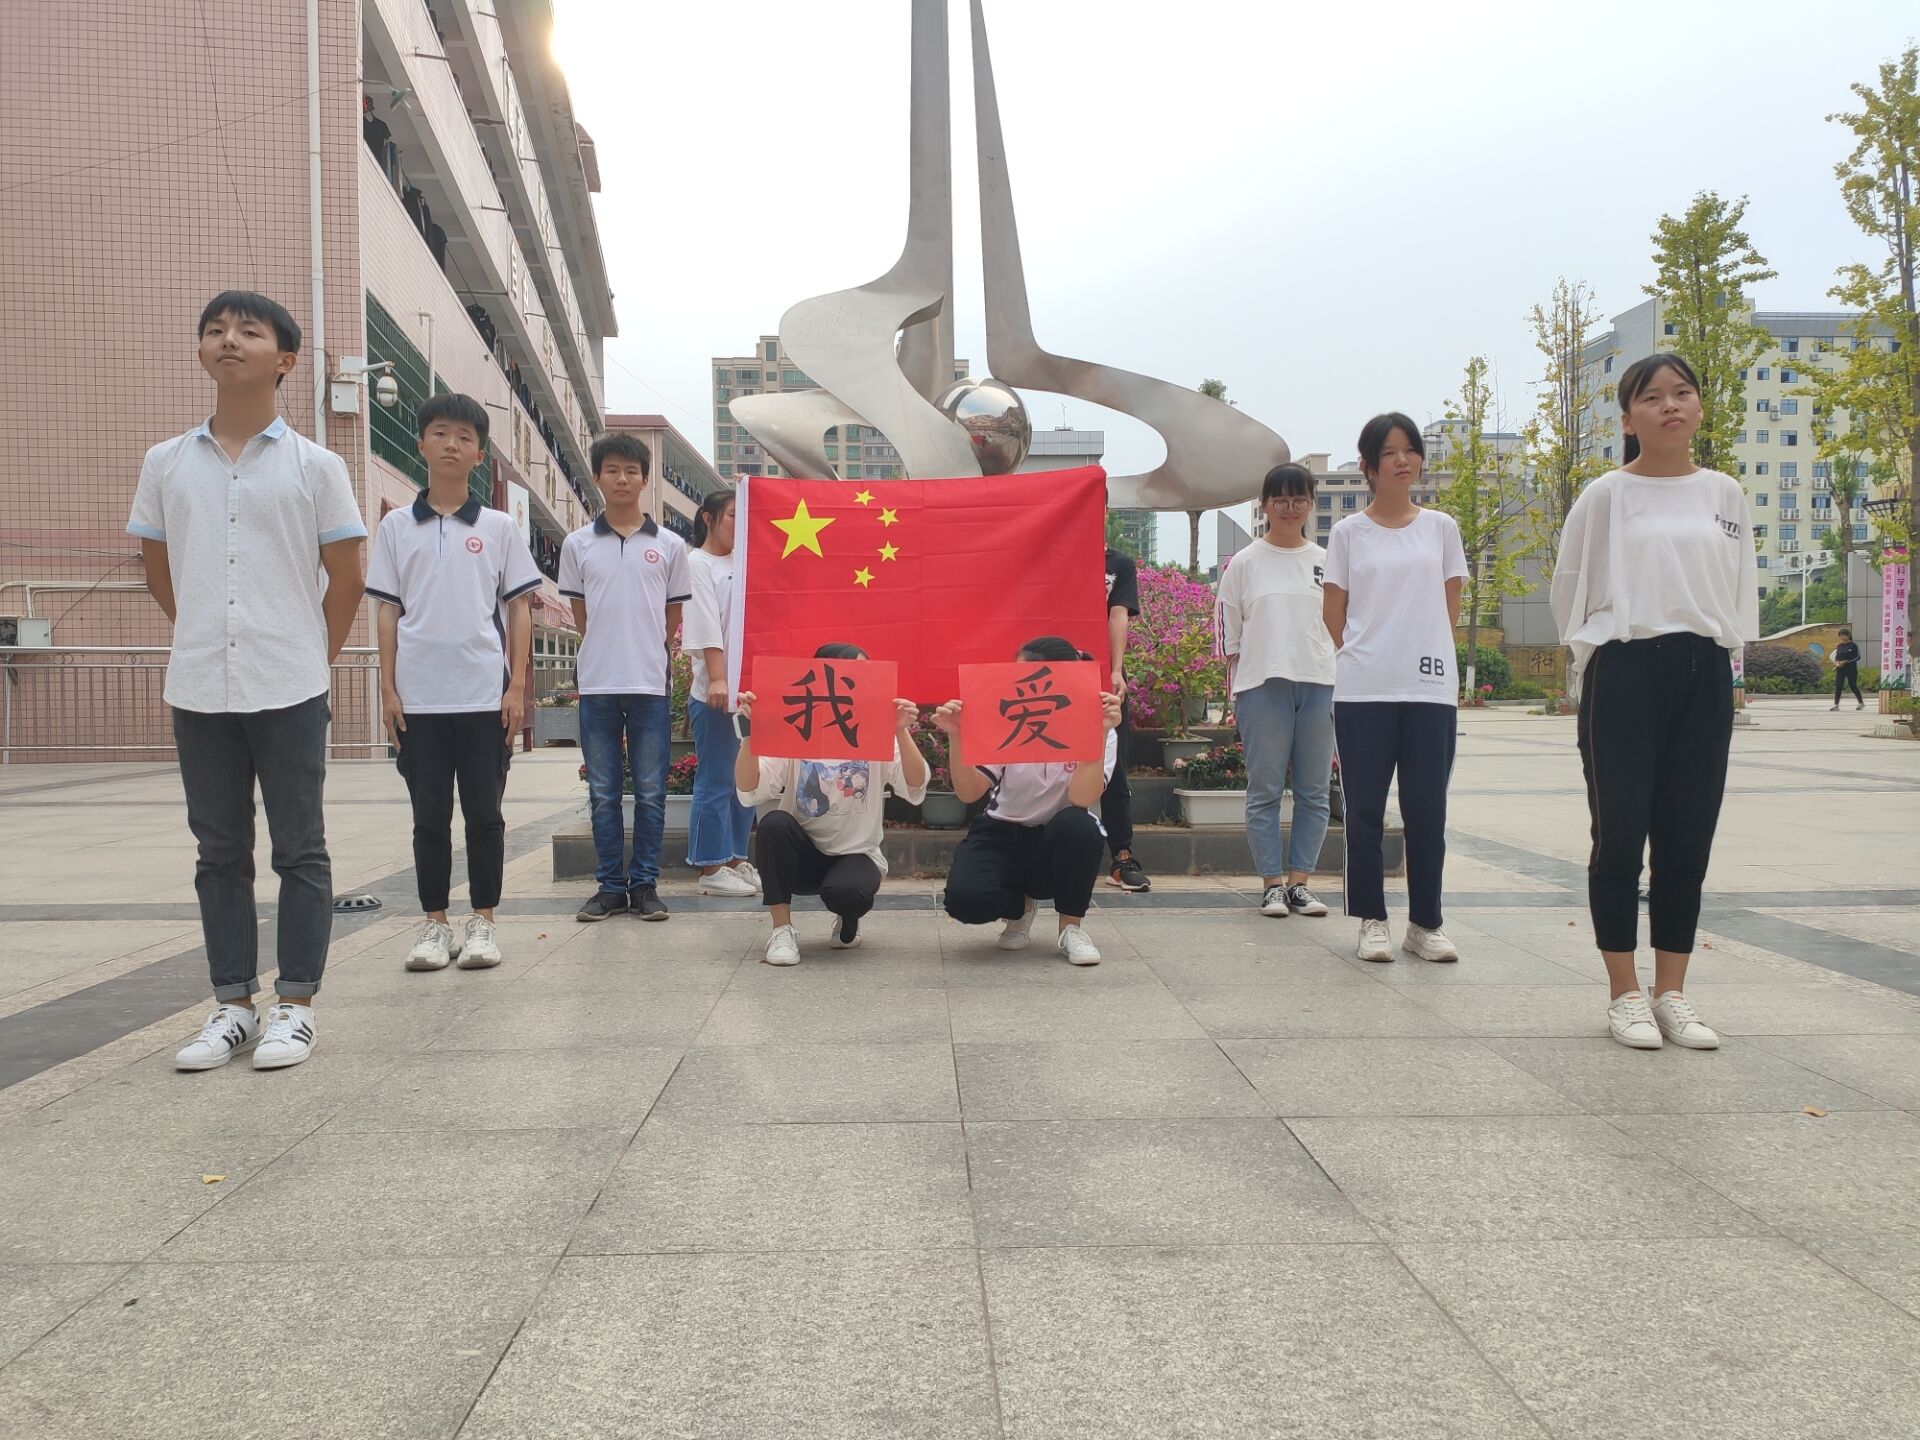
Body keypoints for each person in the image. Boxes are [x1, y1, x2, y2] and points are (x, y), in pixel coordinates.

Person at [129, 291, 366, 1072]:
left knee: (300, 850)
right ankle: (232, 1004)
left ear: (285, 360)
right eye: (215, 330)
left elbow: (346, 577)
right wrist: (205, 629)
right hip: (200, 683)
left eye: (248, 331)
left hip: (290, 683)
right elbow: (158, 567)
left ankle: (295, 1006)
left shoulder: (317, 466)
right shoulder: (166, 462)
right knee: (218, 852)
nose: (228, 339)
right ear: (202, 350)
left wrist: (310, 657)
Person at [1552, 352, 1758, 1051]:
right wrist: (1592, 658)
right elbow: (1569, 587)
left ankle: (1672, 992)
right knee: (1619, 836)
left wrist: (1730, 662)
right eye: (1652, 397)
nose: (1671, 405)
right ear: (1627, 419)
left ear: (1699, 406)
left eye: (1682, 393)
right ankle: (1624, 993)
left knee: (1687, 836)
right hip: (1626, 670)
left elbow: (1738, 587)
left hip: (1704, 671)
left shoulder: (1724, 493)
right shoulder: (1607, 495)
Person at [367, 393, 541, 972]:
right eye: (440, 433)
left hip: (483, 696)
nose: (451, 444)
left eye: (465, 437)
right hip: (418, 699)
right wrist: (388, 690)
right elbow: (388, 612)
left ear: (479, 455)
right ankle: (435, 924)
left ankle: (483, 921)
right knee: (428, 819)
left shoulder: (498, 528)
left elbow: (519, 610)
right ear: (421, 444)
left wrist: (515, 689)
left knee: (485, 816)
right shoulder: (396, 526)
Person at [1322, 413, 1468, 965]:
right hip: (1364, 692)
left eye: (1410, 450)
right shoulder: (1347, 533)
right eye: (1389, 452)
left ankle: (1426, 924)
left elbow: (1450, 605)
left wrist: (1420, 651)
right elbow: (1333, 611)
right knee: (1363, 811)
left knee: (1427, 810)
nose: (1402, 460)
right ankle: (1372, 920)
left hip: (1430, 690)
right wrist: (1368, 653)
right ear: (1368, 465)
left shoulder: (1441, 528)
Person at [558, 434, 691, 921]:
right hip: (597, 685)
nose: (622, 479)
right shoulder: (577, 544)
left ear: (644, 479)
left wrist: (645, 650)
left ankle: (645, 886)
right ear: (597, 477)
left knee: (652, 792)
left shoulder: (670, 545)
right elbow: (581, 614)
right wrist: (607, 648)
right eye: (612, 470)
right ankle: (610, 887)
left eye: (631, 471)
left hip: (649, 685)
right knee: (603, 793)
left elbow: (672, 615)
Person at [734, 643, 928, 965]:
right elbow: (749, 786)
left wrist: (900, 731)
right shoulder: (797, 725)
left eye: (867, 672)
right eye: (854, 672)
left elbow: (915, 784)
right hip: (802, 855)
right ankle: (782, 930)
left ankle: (848, 919)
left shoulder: (877, 730)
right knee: (773, 824)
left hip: (855, 855)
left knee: (849, 893)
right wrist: (750, 735)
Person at [937, 637, 1124, 965]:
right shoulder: (1006, 717)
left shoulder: (1099, 725)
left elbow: (1081, 797)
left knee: (1079, 825)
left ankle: (1071, 928)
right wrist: (957, 735)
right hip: (1002, 832)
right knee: (966, 901)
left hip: (1057, 837)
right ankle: (1020, 908)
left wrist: (1099, 732)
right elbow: (969, 792)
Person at [1217, 463, 1337, 919]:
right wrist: (1235, 691)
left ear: (1311, 503)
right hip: (1262, 686)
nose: (1290, 508)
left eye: (1299, 498)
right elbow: (1227, 633)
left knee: (1314, 790)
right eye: (1280, 499)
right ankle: (1271, 884)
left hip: (1320, 683)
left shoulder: (1327, 561)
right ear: (1264, 505)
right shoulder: (1245, 563)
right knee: (1264, 789)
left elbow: (1345, 624)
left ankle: (1300, 883)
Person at [682, 487, 759, 895]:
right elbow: (705, 621)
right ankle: (710, 867)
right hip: (716, 693)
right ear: (708, 518)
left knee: (745, 778)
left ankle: (735, 857)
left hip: (749, 695)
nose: (740, 523)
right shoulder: (697, 563)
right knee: (716, 778)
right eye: (733, 514)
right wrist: (717, 677)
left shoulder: (747, 560)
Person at [1102, 542, 1151, 893]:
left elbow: (1117, 615)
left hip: (1102, 674)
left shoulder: (1117, 563)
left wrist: (1116, 669)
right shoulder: (1049, 552)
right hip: (1051, 673)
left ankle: (1121, 857)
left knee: (1114, 767)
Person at [1832, 627, 1864, 710]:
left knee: (1852, 685)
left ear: (1848, 635)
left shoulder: (1853, 645)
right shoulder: (1839, 646)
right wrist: (1837, 662)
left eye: (1844, 635)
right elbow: (1837, 657)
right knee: (1838, 686)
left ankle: (1860, 702)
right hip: (1840, 669)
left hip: (1851, 668)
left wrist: (1846, 661)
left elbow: (1857, 657)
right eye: (1841, 635)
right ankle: (1836, 705)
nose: (1842, 637)